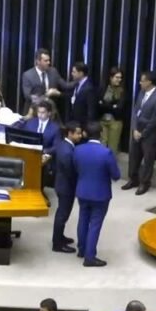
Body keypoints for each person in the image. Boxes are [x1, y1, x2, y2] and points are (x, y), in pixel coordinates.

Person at [74, 122, 120, 267]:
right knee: (95, 224)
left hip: (82, 191)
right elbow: (116, 175)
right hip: (100, 194)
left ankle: (82, 249)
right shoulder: (106, 153)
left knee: (83, 219)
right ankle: (90, 257)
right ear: (101, 134)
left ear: (85, 134)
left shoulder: (78, 150)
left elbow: (76, 168)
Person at [123, 70, 156, 195]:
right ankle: (133, 179)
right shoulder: (141, 93)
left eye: (142, 81)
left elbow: (155, 120)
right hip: (137, 131)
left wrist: (143, 133)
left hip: (149, 135)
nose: (140, 83)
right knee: (133, 156)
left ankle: (144, 183)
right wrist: (134, 129)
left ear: (149, 82)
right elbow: (135, 111)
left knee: (148, 159)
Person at [52, 122, 83, 253]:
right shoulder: (67, 151)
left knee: (62, 213)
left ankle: (60, 237)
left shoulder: (64, 145)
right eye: (78, 133)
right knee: (62, 215)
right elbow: (71, 172)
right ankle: (57, 244)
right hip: (66, 187)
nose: (80, 136)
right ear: (70, 133)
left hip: (62, 184)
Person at [20, 48, 70, 113]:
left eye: (49, 60)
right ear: (38, 61)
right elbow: (28, 96)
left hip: (50, 112)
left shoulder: (53, 71)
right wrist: (47, 95)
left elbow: (65, 85)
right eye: (46, 61)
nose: (49, 62)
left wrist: (80, 80)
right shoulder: (28, 75)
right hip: (33, 112)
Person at [99, 67, 126, 153]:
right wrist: (113, 105)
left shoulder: (122, 91)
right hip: (102, 120)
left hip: (115, 121)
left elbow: (119, 108)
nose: (119, 79)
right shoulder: (103, 88)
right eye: (117, 77)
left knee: (112, 147)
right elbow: (99, 105)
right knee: (101, 145)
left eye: (120, 77)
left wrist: (105, 104)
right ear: (111, 77)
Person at [68, 62, 97, 126]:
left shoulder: (89, 88)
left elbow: (91, 110)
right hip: (75, 121)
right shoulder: (77, 84)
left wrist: (87, 127)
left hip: (83, 124)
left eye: (74, 72)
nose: (72, 74)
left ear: (81, 73)